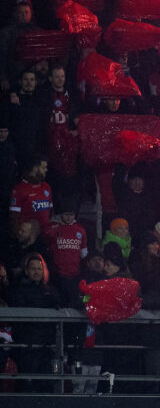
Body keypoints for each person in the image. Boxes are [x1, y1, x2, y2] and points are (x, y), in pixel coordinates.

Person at [9, 253, 61, 392]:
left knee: (45, 384)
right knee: (27, 384)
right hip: (27, 346)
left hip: (45, 346)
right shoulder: (19, 290)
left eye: (39, 268)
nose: (37, 272)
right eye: (33, 269)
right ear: (26, 271)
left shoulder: (51, 290)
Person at [8, 154, 52, 229]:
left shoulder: (46, 186)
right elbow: (14, 218)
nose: (46, 170)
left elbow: (50, 212)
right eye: (43, 167)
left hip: (45, 235)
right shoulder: (19, 189)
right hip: (29, 237)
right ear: (35, 168)